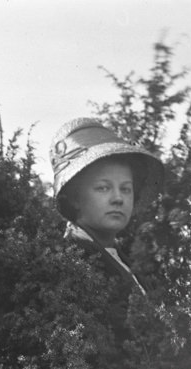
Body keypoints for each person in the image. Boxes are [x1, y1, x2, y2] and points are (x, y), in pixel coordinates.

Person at [51, 118, 165, 295]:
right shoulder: (70, 263)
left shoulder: (121, 261)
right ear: (74, 198)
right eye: (103, 188)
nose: (118, 199)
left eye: (126, 189)